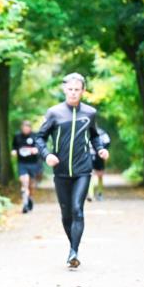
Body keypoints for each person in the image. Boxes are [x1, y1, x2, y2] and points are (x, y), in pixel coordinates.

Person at [34, 72, 108, 268]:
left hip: (83, 169)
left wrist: (100, 149)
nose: (74, 93)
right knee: (66, 213)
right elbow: (39, 137)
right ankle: (72, 246)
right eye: (70, 89)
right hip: (60, 171)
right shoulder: (54, 113)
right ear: (64, 89)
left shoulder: (90, 113)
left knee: (77, 209)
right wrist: (46, 155)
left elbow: (94, 136)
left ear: (83, 91)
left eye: (77, 89)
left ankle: (74, 252)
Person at [11, 120, 42, 213]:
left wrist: (36, 150)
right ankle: (25, 203)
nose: (25, 129)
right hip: (22, 163)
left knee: (31, 185)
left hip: (33, 163)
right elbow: (14, 147)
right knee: (24, 182)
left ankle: (30, 198)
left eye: (27, 127)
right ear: (22, 128)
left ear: (30, 128)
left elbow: (40, 147)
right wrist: (13, 151)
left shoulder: (35, 136)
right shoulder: (17, 136)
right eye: (24, 127)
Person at [91, 129, 111, 201]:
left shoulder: (102, 132)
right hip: (89, 155)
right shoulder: (85, 130)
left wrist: (101, 149)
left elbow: (107, 141)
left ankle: (100, 193)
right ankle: (90, 194)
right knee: (90, 174)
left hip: (99, 156)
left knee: (100, 175)